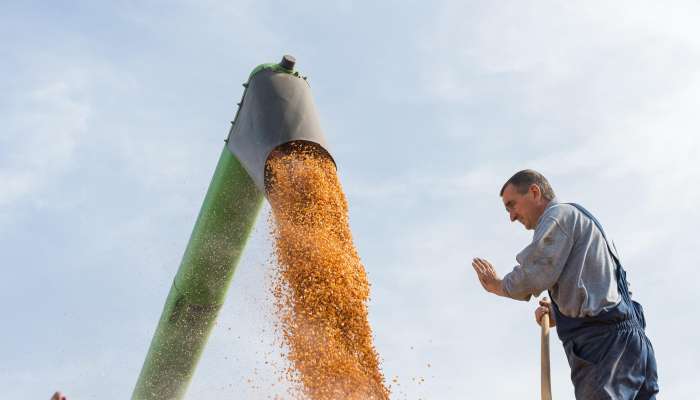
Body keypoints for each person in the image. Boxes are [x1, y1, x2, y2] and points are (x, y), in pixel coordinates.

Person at [471, 169, 659, 399]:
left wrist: (497, 285)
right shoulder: (583, 221)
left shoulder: (557, 217)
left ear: (534, 192)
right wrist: (558, 313)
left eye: (512, 205)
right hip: (632, 347)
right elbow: (599, 290)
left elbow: (534, 273)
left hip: (605, 348)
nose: (511, 216)